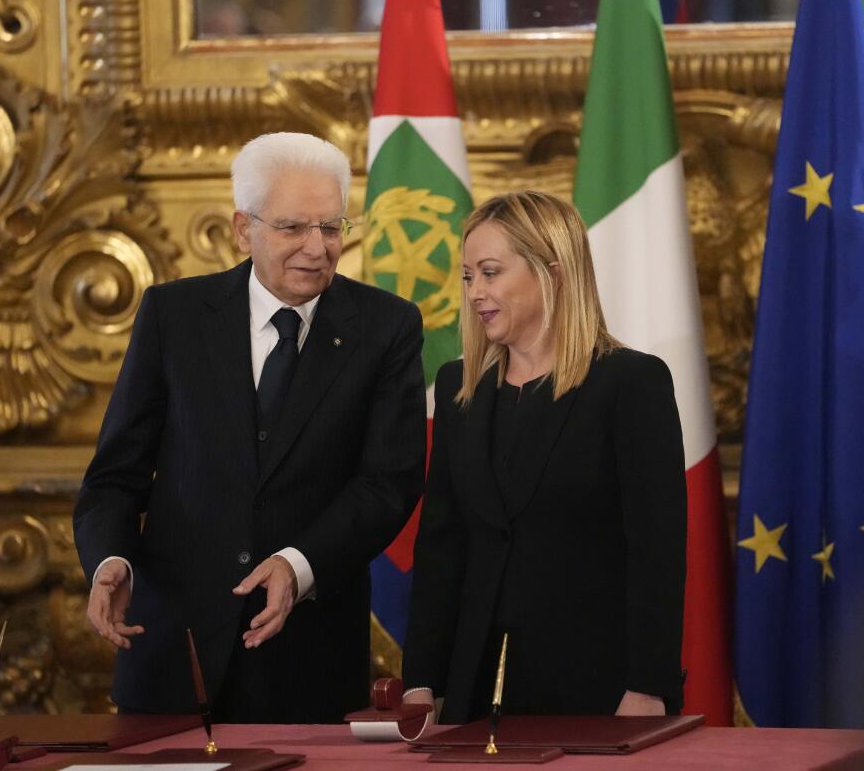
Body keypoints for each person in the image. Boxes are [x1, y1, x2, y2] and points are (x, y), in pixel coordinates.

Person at [74, 132, 425, 723]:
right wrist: (111, 560)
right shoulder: (173, 315)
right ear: (244, 229)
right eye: (293, 228)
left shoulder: (386, 326)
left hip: (308, 659)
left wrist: (298, 562)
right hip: (171, 653)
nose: (317, 248)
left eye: (332, 228)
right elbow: (115, 475)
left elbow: (389, 482)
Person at [402, 191, 687, 723]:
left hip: (599, 686)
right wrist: (420, 680)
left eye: (490, 272)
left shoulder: (630, 382)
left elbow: (657, 551)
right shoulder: (458, 389)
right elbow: (442, 548)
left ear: (552, 272)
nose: (475, 293)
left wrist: (649, 684)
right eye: (468, 277)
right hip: (474, 684)